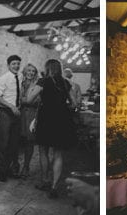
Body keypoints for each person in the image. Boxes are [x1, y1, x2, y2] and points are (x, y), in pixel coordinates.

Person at [25, 59, 77, 199]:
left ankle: (45, 181)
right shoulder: (66, 82)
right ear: (59, 69)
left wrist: (33, 85)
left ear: (47, 68)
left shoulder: (43, 81)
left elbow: (29, 99)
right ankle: (54, 187)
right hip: (62, 119)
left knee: (43, 151)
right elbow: (74, 103)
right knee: (58, 154)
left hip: (46, 118)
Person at [0, 54, 23, 181]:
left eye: (18, 64)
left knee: (14, 143)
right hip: (5, 113)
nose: (16, 66)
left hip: (17, 113)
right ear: (8, 65)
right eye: (14, 64)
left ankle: (10, 168)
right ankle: (2, 171)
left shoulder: (20, 77)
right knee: (3, 143)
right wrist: (11, 106)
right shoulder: (3, 78)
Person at [18, 64, 42, 178]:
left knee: (29, 142)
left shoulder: (37, 84)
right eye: (29, 70)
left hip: (31, 115)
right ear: (24, 71)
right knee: (16, 141)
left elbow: (36, 101)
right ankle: (15, 165)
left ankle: (26, 167)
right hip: (19, 115)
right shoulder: (19, 82)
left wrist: (22, 100)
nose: (31, 73)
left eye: (33, 71)